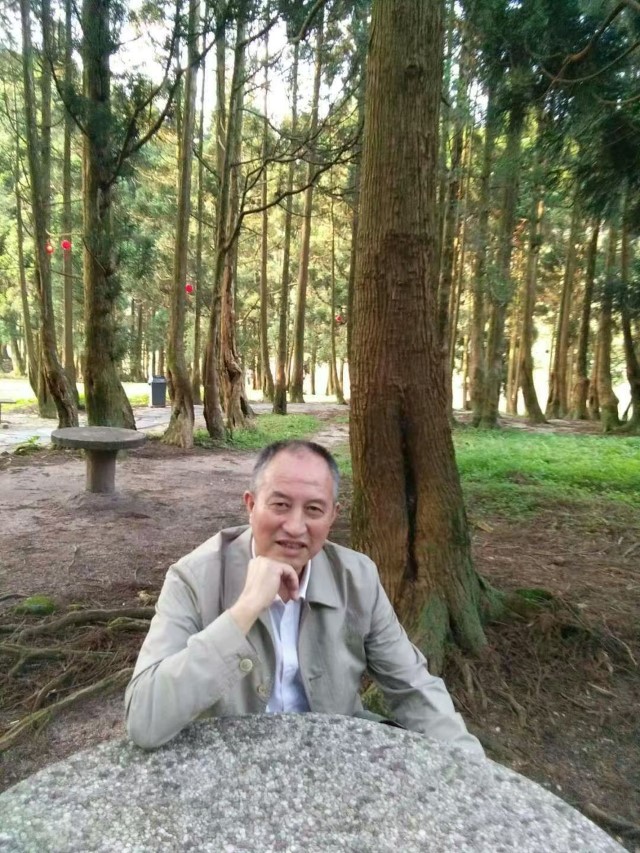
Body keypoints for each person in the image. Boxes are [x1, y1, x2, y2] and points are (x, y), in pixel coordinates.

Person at [125, 440, 483, 756]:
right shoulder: (193, 578)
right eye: (280, 505)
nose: (295, 527)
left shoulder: (357, 578)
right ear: (251, 504)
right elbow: (144, 719)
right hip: (226, 763)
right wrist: (243, 611)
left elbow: (414, 688)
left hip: (332, 757)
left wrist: (476, 772)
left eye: (313, 510)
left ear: (333, 516)